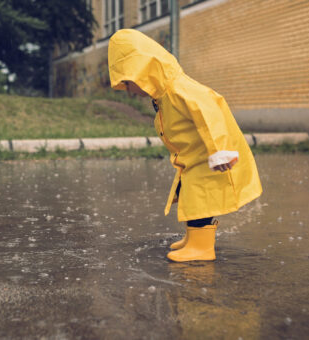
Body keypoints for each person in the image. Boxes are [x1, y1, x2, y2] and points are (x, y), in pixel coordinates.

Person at [108, 29, 262, 262]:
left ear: (143, 71)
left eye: (128, 82)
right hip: (193, 158)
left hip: (207, 157)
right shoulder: (163, 94)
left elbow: (209, 114)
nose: (129, 90)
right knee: (190, 196)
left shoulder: (178, 89)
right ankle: (194, 238)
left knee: (201, 200)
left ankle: (202, 248)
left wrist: (220, 151)